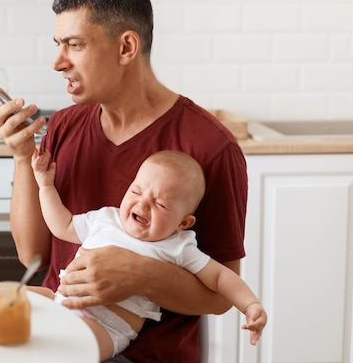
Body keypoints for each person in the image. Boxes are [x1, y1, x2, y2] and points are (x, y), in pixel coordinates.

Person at [0, 0, 248, 362]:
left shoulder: (210, 147)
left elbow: (220, 298)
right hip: (56, 338)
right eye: (58, 44)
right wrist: (23, 158)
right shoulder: (63, 126)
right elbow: (33, 257)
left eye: (74, 45)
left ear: (126, 47)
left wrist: (141, 275)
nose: (57, 62)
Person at [30, 150, 266, 361]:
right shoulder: (106, 219)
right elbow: (63, 225)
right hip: (59, 301)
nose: (143, 204)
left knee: (63, 348)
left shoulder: (177, 247)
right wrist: (46, 186)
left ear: (183, 223)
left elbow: (220, 278)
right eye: (136, 191)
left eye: (160, 204)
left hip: (105, 327)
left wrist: (250, 305)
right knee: (11, 296)